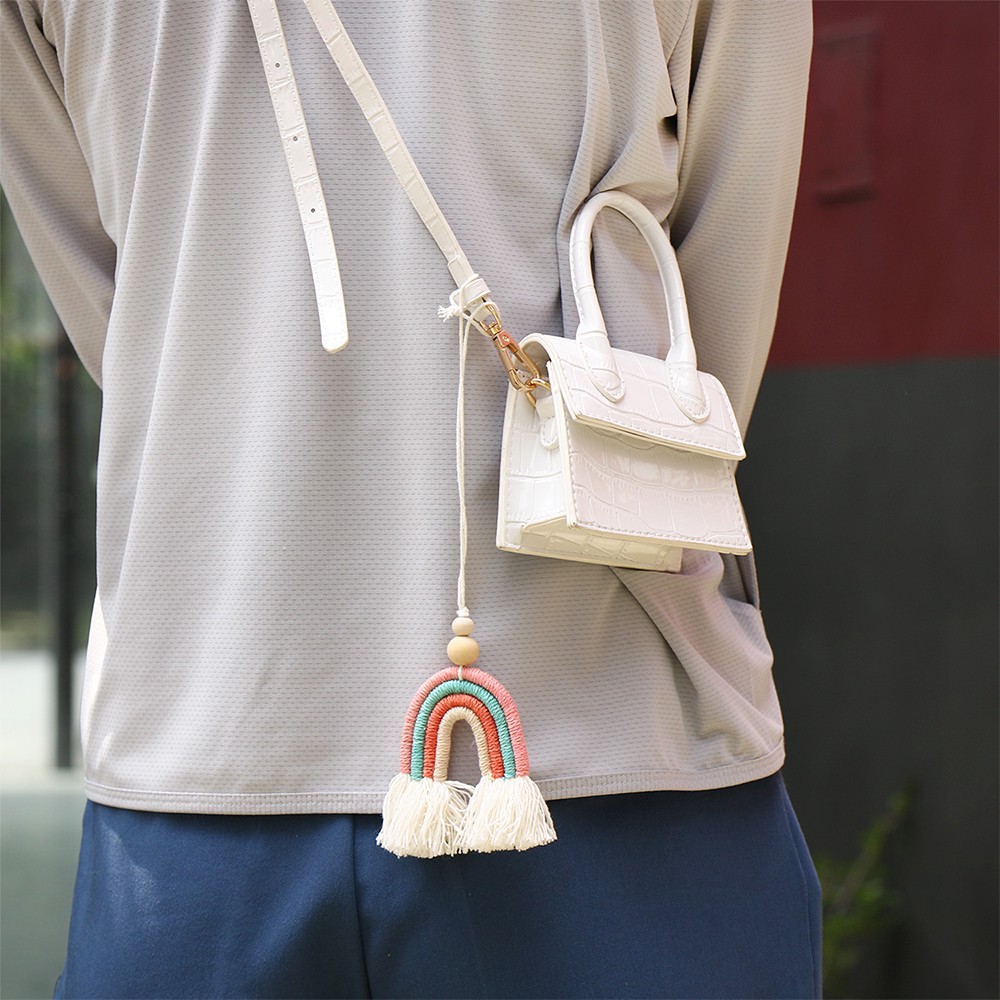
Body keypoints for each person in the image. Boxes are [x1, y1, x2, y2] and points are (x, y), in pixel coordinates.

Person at [1, 1, 817, 997]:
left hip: (203, 727)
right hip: (614, 706)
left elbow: (123, 313)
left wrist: (238, 434)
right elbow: (719, 300)